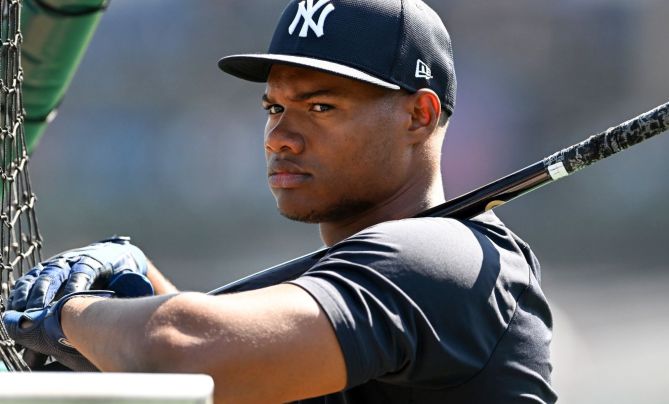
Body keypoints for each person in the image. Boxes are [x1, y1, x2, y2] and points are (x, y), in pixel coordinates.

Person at [3, 1, 556, 403]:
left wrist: (63, 316)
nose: (279, 138)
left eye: (319, 108)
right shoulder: (367, 281)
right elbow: (233, 361)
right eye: (274, 108)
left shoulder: (440, 260)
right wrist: (146, 289)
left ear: (419, 116)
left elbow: (183, 351)